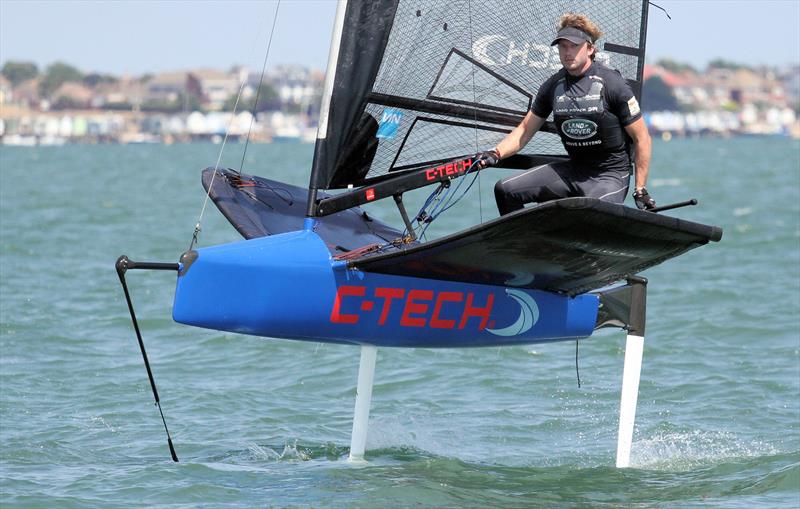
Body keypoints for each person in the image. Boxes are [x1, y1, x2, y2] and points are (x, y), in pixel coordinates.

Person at [478, 13, 656, 214]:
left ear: (590, 49)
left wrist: (640, 190)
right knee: (506, 190)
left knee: (589, 210)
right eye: (563, 46)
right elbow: (525, 130)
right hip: (574, 170)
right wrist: (496, 153)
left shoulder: (613, 85)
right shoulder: (554, 85)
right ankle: (526, 244)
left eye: (574, 46)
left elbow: (642, 138)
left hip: (610, 175)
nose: (567, 52)